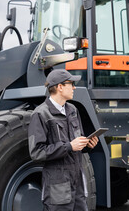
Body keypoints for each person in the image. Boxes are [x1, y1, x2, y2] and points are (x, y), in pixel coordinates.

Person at [28, 69, 98, 211]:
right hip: (57, 187)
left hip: (77, 183)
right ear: (60, 87)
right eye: (71, 84)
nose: (74, 87)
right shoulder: (41, 114)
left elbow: (76, 144)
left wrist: (87, 145)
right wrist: (69, 146)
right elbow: (36, 152)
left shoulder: (73, 110)